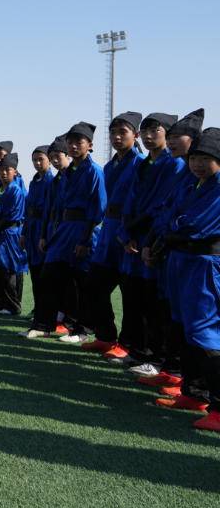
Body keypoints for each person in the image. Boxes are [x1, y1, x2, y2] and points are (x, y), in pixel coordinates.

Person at [150, 127, 220, 432]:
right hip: (182, 262)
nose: (198, 164)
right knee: (185, 329)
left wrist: (174, 224)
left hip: (205, 264)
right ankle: (195, 393)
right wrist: (173, 224)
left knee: (206, 333)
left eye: (207, 158)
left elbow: (194, 226)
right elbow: (166, 215)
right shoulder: (194, 185)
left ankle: (218, 405)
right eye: (195, 158)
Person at [24, 123, 106, 341]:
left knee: (81, 281)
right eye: (70, 142)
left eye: (79, 141)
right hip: (63, 229)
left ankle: (82, 329)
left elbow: (98, 208)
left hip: (83, 229)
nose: (73, 145)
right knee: (49, 274)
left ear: (90, 145)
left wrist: (86, 239)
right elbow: (57, 207)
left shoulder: (94, 171)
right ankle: (43, 324)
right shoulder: (67, 173)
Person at [116, 113, 184, 373]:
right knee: (134, 297)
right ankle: (137, 351)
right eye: (144, 131)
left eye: (154, 130)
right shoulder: (143, 164)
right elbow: (130, 200)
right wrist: (126, 234)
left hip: (151, 238)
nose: (147, 136)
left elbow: (161, 205)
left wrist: (137, 231)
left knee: (155, 304)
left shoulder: (174, 165)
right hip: (134, 239)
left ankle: (156, 358)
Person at [80, 112, 144, 354]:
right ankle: (105, 336)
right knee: (94, 286)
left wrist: (131, 233)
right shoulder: (110, 166)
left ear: (134, 135)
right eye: (113, 133)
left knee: (131, 295)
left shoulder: (140, 164)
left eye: (123, 133)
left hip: (128, 234)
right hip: (108, 233)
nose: (116, 137)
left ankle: (127, 345)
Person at [0, 152, 26, 315]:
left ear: (15, 172)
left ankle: (13, 305)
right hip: (0, 233)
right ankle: (1, 303)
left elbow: (11, 216)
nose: (3, 173)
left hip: (10, 234)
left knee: (8, 269)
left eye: (8, 170)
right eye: (1, 170)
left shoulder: (15, 189)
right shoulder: (1, 189)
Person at [20, 145, 53, 322]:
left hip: (43, 230)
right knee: (34, 272)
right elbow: (28, 210)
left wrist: (44, 235)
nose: (37, 163)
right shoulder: (34, 182)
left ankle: (46, 311)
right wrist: (24, 233)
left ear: (49, 160)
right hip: (31, 230)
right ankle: (37, 307)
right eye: (34, 160)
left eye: (41, 159)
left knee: (44, 274)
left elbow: (49, 211)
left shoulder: (51, 182)